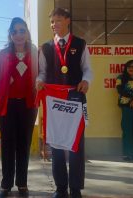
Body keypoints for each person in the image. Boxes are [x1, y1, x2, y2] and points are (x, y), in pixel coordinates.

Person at [36, 8, 92, 198]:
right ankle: (60, 188)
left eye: (58, 20)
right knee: (57, 145)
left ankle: (75, 188)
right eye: (52, 22)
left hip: (75, 100)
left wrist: (86, 81)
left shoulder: (81, 44)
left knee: (76, 145)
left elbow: (87, 70)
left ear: (68, 20)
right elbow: (42, 72)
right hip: (54, 102)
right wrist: (39, 81)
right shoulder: (45, 48)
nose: (54, 25)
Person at [0, 17, 38, 198]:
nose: (19, 35)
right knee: (8, 145)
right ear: (10, 35)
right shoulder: (3, 54)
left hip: (28, 106)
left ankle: (22, 183)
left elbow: (42, 76)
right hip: (7, 105)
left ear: (27, 33)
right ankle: (6, 184)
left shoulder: (35, 53)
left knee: (24, 144)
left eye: (22, 30)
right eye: (14, 31)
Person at [116, 59, 133, 161]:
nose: (131, 69)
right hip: (126, 106)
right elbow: (120, 90)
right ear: (126, 68)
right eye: (129, 67)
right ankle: (128, 154)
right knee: (127, 129)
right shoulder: (121, 77)